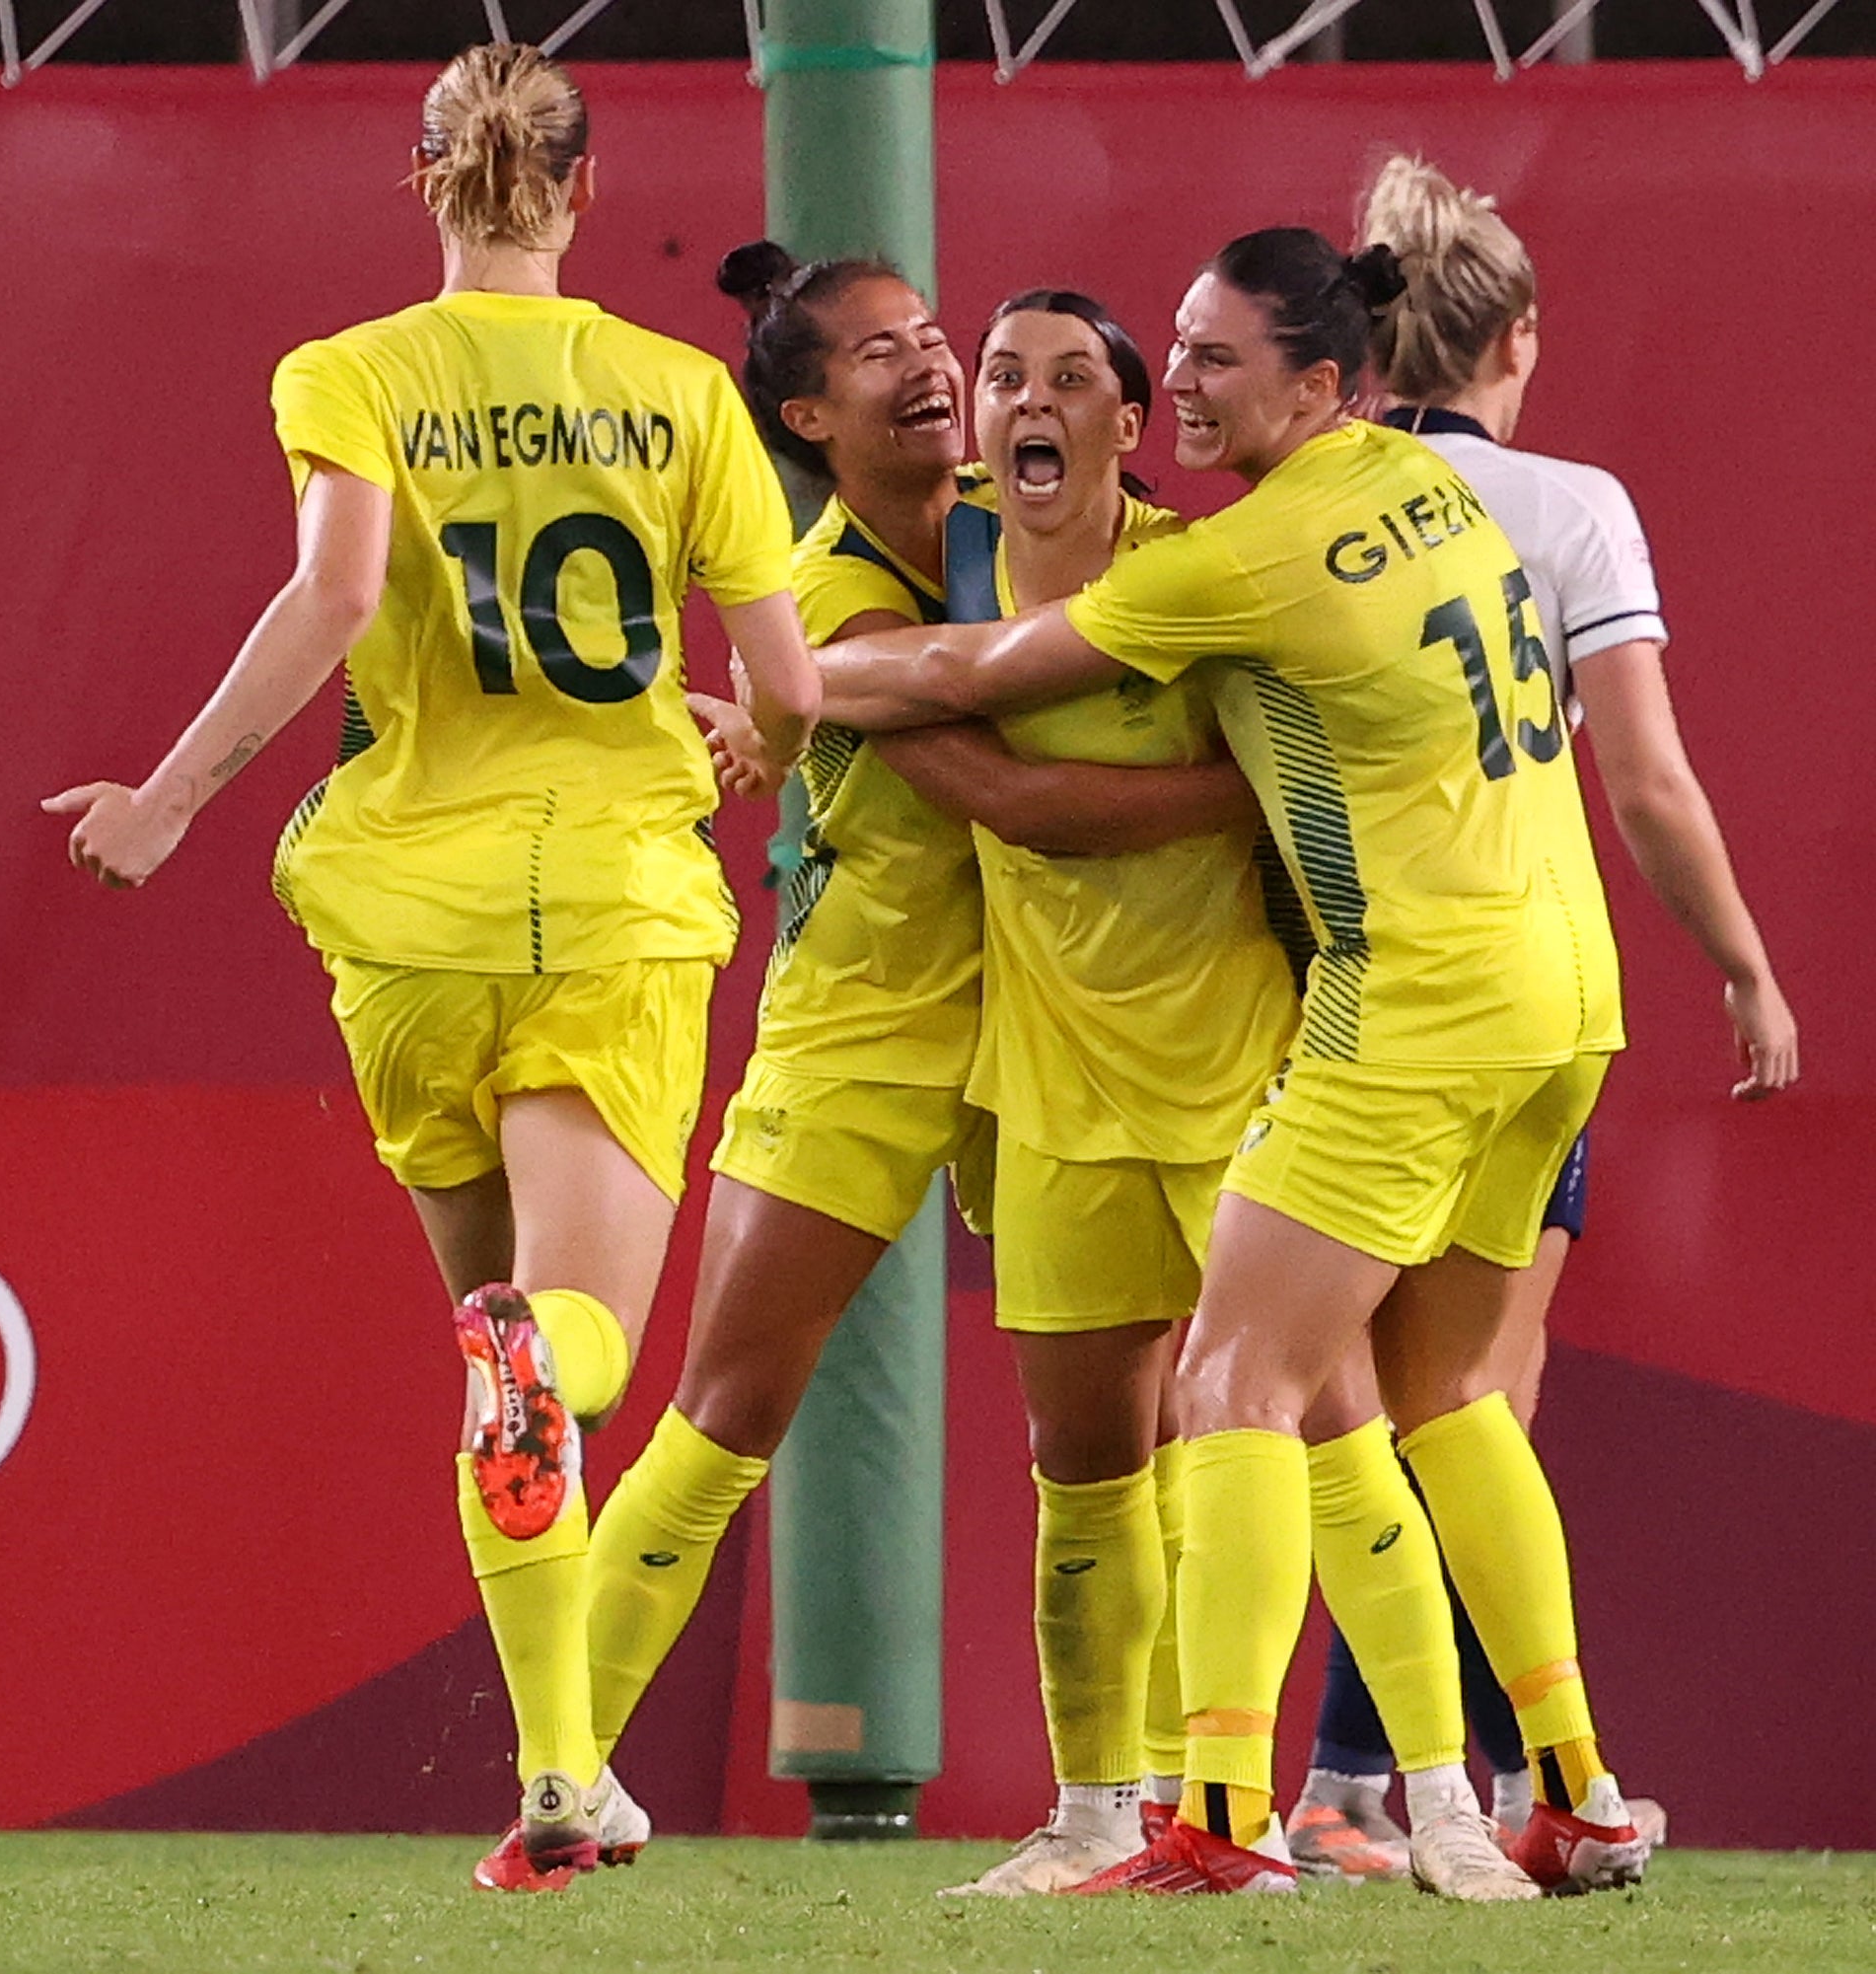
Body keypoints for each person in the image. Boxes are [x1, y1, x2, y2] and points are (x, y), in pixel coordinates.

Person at [43, 42, 821, 1894]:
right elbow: (786, 682)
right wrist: (758, 753)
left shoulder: (350, 372)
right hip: (611, 903)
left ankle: (564, 1773)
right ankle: (536, 1407)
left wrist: (165, 797)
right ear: (583, 189)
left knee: (504, 1399)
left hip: (404, 916)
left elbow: (331, 595)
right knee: (572, 1358)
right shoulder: (676, 394)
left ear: (426, 183)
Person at [816, 225, 1647, 1898]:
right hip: (1562, 982)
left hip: (1401, 1000)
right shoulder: (1438, 496)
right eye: (1177, 348)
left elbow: (980, 672)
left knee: (1235, 1390)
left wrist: (787, 681)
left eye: (1207, 359)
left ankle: (1212, 1813)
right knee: (1448, 1397)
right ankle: (1573, 1787)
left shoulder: (1238, 558)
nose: (1178, 380)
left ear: (1328, 384)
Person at [568, 253, 1251, 1886]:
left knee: (1128, 1435)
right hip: (867, 1020)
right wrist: (1254, 794)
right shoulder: (814, 592)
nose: (936, 369)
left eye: (936, 339)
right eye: (884, 356)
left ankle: (1150, 1811)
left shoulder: (1025, 516)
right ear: (808, 414)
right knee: (730, 1400)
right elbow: (1022, 799)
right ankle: (556, 1757)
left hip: (1060, 1022)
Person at [1286, 152, 1801, 1879]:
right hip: (1511, 998)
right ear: (1518, 335)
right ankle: (1415, 1778)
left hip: (1333, 991)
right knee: (1462, 1402)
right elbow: (1644, 781)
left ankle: (1396, 1774)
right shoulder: (1568, 505)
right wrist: (1741, 960)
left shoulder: (1307, 491)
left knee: (1382, 1396)